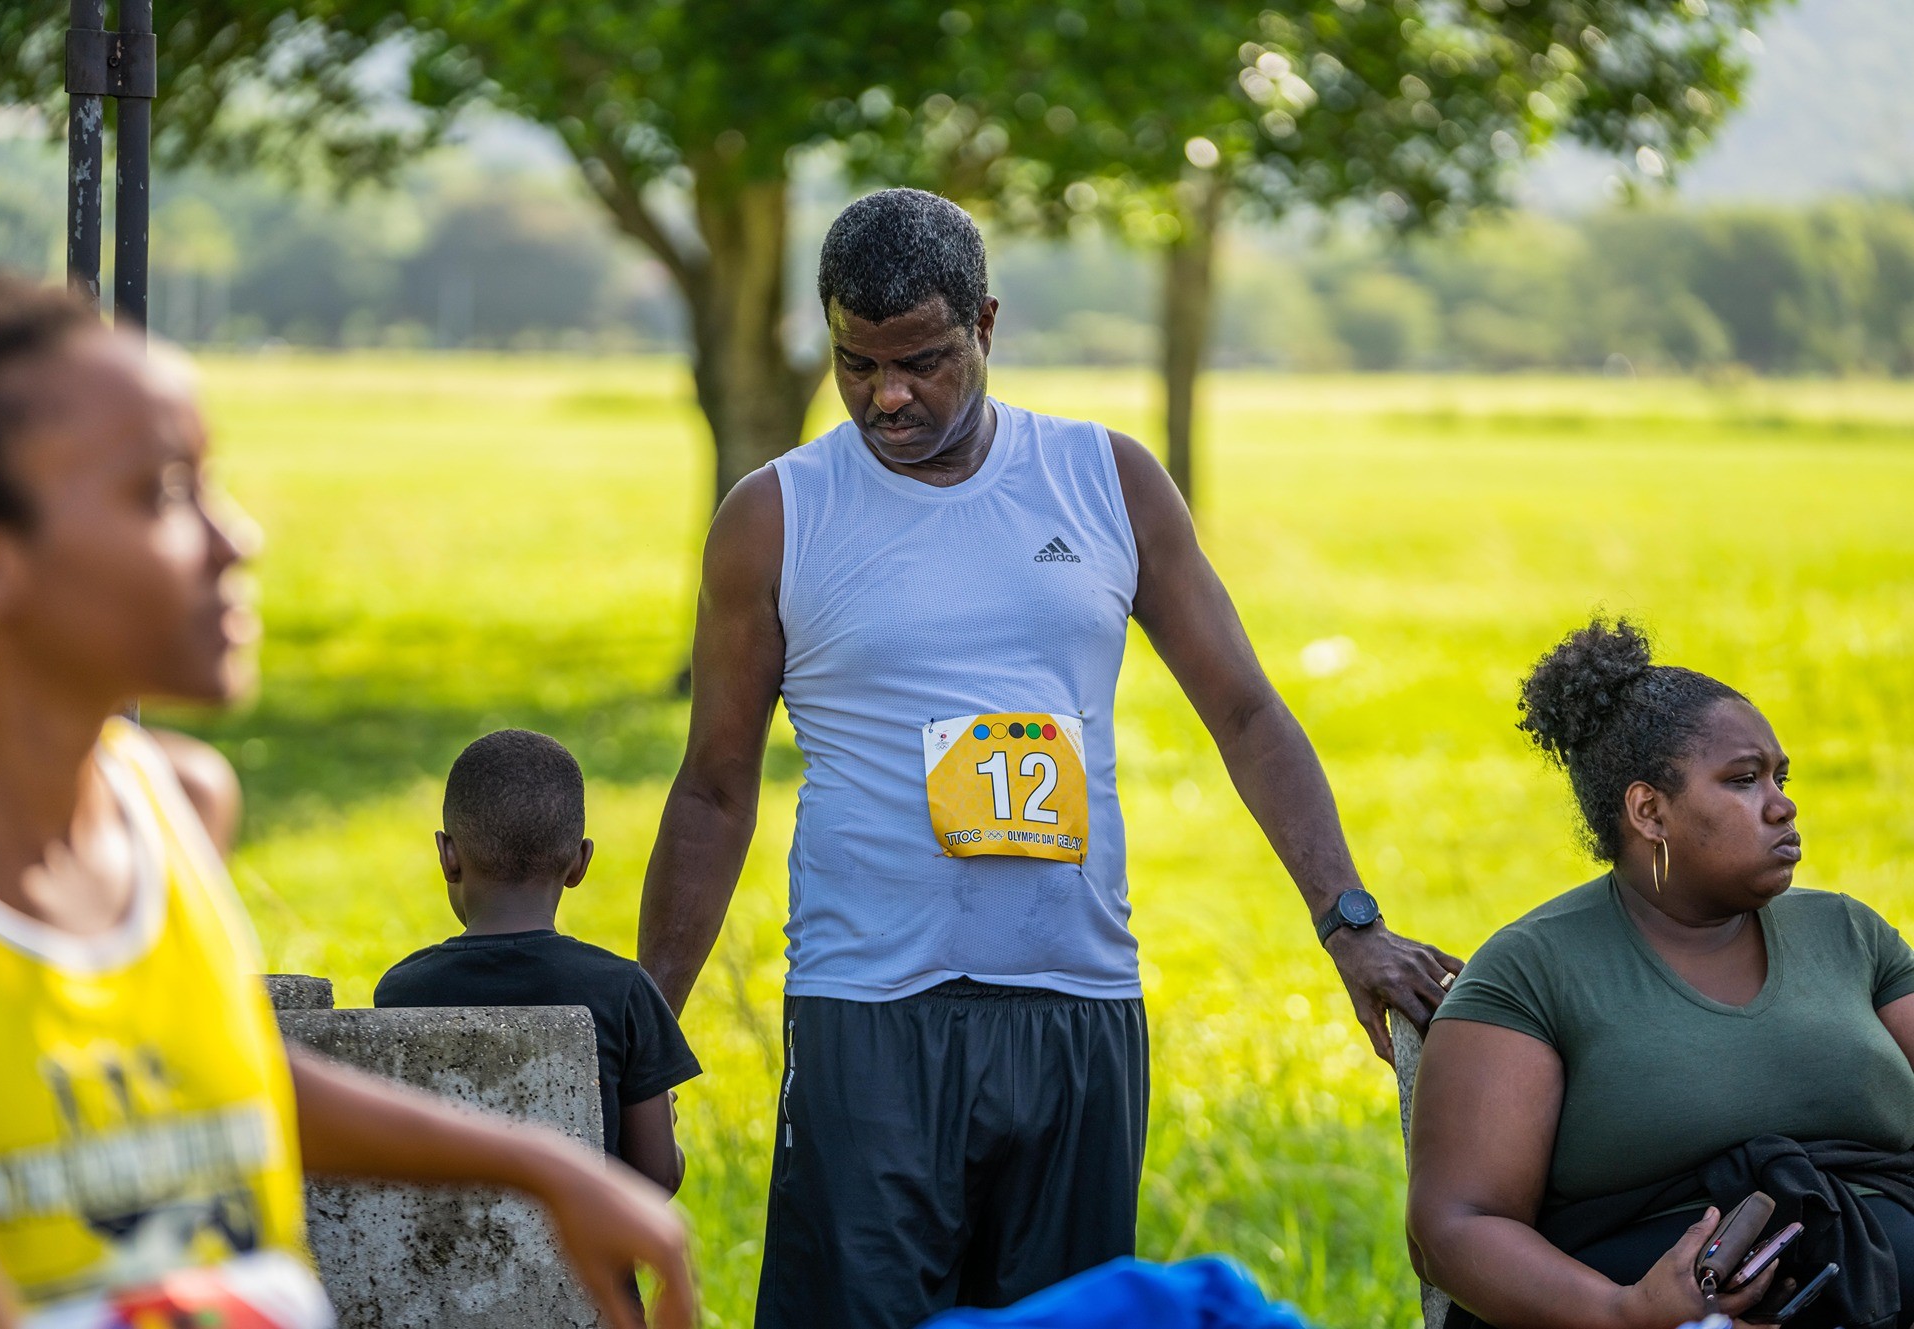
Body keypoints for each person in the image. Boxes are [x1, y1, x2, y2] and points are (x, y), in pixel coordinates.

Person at [636, 186, 1460, 1329]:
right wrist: (646, 1043)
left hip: (1076, 1008)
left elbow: (1247, 715)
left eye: (921, 362)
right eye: (856, 364)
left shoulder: (1105, 479)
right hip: (869, 1012)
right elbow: (715, 788)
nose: (887, 397)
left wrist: (1349, 921)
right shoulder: (777, 515)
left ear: (986, 323)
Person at [0, 273, 694, 1329]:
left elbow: (223, 1078)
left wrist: (543, 1167)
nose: (237, 537)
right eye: (161, 492)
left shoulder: (178, 804)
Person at [1407, 617, 1914, 1329]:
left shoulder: (1848, 933)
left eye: (1780, 777)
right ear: (1649, 810)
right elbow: (1455, 1227)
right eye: (1743, 780)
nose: (1782, 805)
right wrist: (1627, 1311)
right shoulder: (1531, 971)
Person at [375, 728, 701, 1194]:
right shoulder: (622, 990)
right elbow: (657, 1177)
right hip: (585, 1243)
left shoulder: (402, 991)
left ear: (448, 856)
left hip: (445, 1242)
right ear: (579, 863)